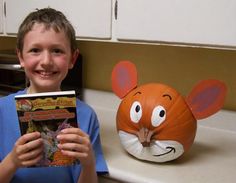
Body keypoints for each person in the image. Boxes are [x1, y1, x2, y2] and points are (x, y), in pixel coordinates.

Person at [0, 8, 108, 183]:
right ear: (20, 57)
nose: (46, 61)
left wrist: (89, 163)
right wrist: (12, 161)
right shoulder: (1, 111)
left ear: (73, 59)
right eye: (35, 50)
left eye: (57, 51)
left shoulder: (86, 116)